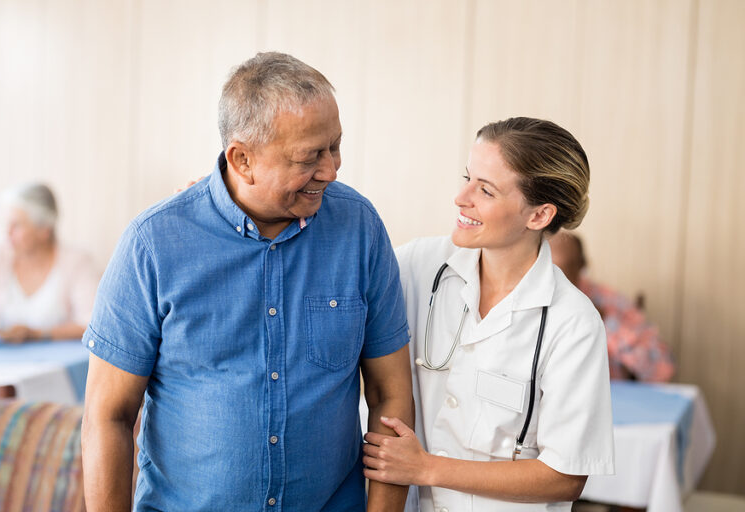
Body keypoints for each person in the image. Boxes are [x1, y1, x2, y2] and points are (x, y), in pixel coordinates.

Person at [81, 52, 414, 512]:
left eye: (335, 146)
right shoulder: (153, 244)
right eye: (309, 156)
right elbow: (108, 416)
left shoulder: (359, 228)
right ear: (243, 159)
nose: (332, 170)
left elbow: (388, 395)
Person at [362, 118, 614, 511]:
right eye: (468, 178)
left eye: (486, 190)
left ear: (539, 215)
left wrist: (426, 468)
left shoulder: (573, 323)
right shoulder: (419, 265)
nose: (461, 197)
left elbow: (564, 477)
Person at [0, 183, 99, 342]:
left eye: (17, 225)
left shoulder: (78, 262)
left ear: (44, 230)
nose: (7, 232)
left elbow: (92, 324)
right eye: (6, 224)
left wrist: (37, 334)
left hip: (58, 362)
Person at [548, 231, 675, 382]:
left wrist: (606, 322)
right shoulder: (525, 303)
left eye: (565, 269)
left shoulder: (611, 303)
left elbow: (662, 369)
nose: (555, 279)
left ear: (582, 265)